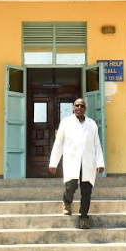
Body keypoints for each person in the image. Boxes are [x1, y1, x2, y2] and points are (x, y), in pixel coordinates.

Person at [48, 97, 105, 230]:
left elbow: (97, 144)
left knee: (86, 191)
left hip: (88, 163)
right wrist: (53, 163)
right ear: (73, 107)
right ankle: (67, 202)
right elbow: (58, 144)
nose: (79, 108)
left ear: (85, 108)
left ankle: (84, 217)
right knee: (71, 187)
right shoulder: (66, 123)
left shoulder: (92, 124)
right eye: (77, 105)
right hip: (71, 161)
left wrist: (100, 163)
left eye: (82, 106)